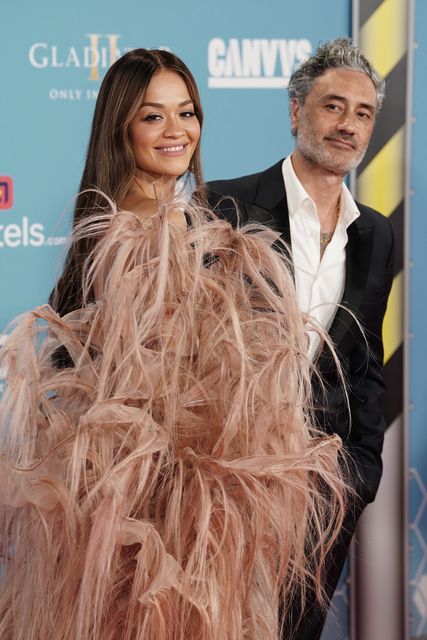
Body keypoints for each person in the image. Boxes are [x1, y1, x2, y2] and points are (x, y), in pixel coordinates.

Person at [0, 49, 347, 640]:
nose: (177, 131)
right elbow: (134, 387)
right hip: (150, 514)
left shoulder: (187, 222)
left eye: (186, 112)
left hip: (191, 515)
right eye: (152, 116)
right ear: (121, 126)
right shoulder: (130, 231)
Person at [205, 37, 395, 639]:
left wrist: (360, 475)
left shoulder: (378, 237)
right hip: (228, 486)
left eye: (363, 114)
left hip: (322, 497)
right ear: (296, 111)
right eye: (333, 106)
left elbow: (365, 365)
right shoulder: (223, 206)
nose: (349, 126)